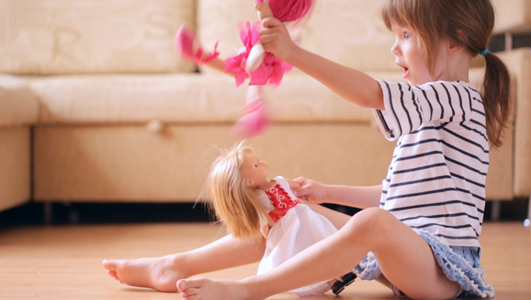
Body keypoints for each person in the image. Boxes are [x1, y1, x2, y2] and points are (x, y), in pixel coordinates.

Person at [105, 0, 509, 298]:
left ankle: (251, 289)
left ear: (456, 42)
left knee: (372, 222)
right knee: (291, 212)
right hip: (408, 255)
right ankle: (175, 266)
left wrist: (294, 55)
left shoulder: (455, 97)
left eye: (405, 35)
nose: (394, 48)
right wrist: (327, 192)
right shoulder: (431, 108)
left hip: (444, 270)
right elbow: (396, 197)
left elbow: (372, 94)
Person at [103, 142, 356, 296]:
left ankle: (241, 287)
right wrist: (325, 191)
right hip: (365, 226)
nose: (262, 164)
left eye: (258, 163)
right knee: (293, 225)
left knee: (307, 227)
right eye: (256, 165)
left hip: (380, 236)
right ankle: (175, 265)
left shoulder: (276, 186)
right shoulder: (268, 192)